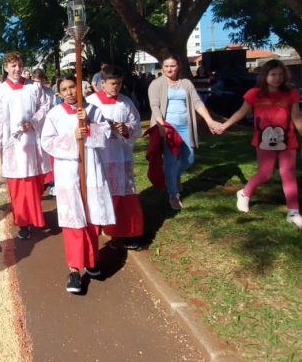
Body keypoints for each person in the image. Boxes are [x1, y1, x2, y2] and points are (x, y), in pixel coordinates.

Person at [41, 75, 115, 293]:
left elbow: (106, 134)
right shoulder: (54, 114)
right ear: (59, 92)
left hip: (91, 168)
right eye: (64, 89)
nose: (69, 92)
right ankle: (74, 269)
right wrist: (72, 137)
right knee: (74, 219)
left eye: (72, 87)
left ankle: (91, 260)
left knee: (91, 216)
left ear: (79, 87)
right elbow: (47, 142)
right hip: (68, 170)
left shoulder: (92, 110)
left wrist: (89, 124)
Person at [218, 59, 302, 228]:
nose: (277, 78)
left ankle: (293, 212)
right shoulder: (254, 94)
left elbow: (297, 118)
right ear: (265, 76)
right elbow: (241, 112)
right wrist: (224, 125)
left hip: (288, 141)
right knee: (265, 174)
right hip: (264, 142)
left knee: (288, 174)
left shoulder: (291, 94)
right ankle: (244, 194)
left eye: (280, 74)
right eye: (273, 75)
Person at [0, 51, 51, 240]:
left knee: (34, 184)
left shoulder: (34, 87)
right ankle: (23, 221)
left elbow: (45, 106)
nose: (17, 69)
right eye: (13, 66)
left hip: (32, 141)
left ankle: (35, 216)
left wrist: (32, 121)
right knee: (17, 185)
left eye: (20, 65)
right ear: (6, 68)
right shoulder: (0, 91)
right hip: (12, 144)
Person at [148, 54, 221, 210]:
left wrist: (209, 121)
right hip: (168, 127)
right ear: (162, 67)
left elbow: (197, 102)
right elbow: (154, 106)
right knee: (170, 160)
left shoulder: (186, 83)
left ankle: (173, 176)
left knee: (189, 158)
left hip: (185, 126)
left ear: (178, 66)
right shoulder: (156, 84)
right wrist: (161, 126)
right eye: (166, 66)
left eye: (172, 65)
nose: (169, 69)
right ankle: (173, 194)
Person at [86, 65, 144, 249]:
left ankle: (128, 232)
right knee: (102, 194)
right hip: (100, 156)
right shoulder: (91, 102)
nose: (116, 88)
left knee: (126, 194)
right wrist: (101, 130)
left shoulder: (126, 102)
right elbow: (83, 127)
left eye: (119, 84)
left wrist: (127, 129)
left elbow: (136, 124)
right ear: (102, 83)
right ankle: (103, 227)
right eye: (112, 84)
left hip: (121, 154)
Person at [31, 69, 57, 197]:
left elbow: (53, 109)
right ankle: (37, 183)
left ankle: (52, 182)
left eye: (40, 82)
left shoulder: (50, 93)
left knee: (49, 156)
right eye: (35, 82)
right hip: (33, 129)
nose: (38, 85)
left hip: (47, 127)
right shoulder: (29, 92)